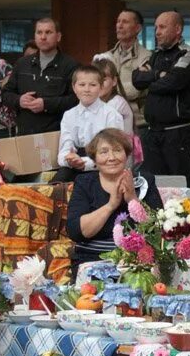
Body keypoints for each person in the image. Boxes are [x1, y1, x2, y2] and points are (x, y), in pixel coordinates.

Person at [65, 129, 163, 274]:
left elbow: (157, 229)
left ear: (126, 154)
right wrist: (111, 205)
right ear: (94, 158)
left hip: (137, 260)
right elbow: (76, 231)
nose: (111, 157)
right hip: (92, 260)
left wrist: (132, 200)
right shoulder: (85, 183)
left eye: (117, 150)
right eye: (104, 152)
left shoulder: (144, 181)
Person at [133, 11, 190, 186]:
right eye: (156, 27)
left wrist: (151, 79)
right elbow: (136, 80)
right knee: (154, 183)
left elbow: (173, 82)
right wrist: (158, 75)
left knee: (180, 181)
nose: (157, 32)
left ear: (177, 29)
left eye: (162, 27)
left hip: (177, 132)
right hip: (152, 131)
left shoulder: (188, 53)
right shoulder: (156, 55)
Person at [2, 18, 80, 136]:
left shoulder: (71, 65)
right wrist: (19, 100)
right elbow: (6, 94)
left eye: (48, 32)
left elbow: (76, 99)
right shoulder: (22, 63)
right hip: (25, 135)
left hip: (57, 134)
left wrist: (46, 104)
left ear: (58, 36)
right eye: (39, 32)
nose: (43, 37)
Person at [55, 66, 125, 183]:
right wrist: (69, 160)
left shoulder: (111, 114)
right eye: (82, 85)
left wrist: (85, 163)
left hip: (103, 165)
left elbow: (115, 151)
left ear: (101, 87)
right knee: (56, 187)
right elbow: (64, 148)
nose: (87, 89)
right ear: (74, 87)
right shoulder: (69, 115)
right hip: (74, 164)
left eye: (93, 85)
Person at [96, 9, 152, 137]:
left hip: (137, 124)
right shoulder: (107, 56)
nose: (119, 26)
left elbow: (135, 90)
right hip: (107, 121)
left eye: (125, 22)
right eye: (118, 21)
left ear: (137, 28)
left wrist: (108, 88)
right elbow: (95, 84)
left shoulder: (147, 57)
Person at [93, 57, 134, 134]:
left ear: (114, 81)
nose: (99, 84)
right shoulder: (95, 102)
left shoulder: (118, 103)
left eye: (103, 80)